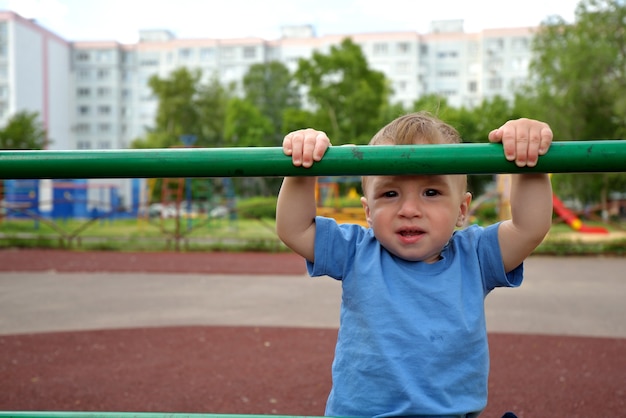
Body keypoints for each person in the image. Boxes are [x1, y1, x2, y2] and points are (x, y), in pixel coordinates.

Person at [275, 112, 553, 418]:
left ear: (462, 210)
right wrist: (301, 166)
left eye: (431, 192)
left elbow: (529, 227)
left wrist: (529, 157)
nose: (409, 209)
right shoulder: (357, 250)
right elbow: (295, 229)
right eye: (390, 193)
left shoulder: (475, 256)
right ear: (368, 211)